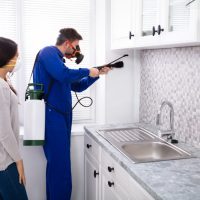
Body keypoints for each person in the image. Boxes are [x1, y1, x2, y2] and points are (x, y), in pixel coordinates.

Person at [33, 28, 111, 200]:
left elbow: (78, 86)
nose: (76, 52)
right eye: (75, 46)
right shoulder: (48, 52)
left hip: (62, 116)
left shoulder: (60, 62)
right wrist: (87, 70)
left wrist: (97, 74)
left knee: (60, 166)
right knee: (60, 166)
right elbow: (63, 75)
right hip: (52, 116)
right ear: (67, 43)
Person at [0, 37, 28, 200]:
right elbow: (4, 132)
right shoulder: (1, 87)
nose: (18, 60)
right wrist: (19, 161)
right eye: (16, 56)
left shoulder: (4, 81)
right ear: (5, 58)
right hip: (5, 162)